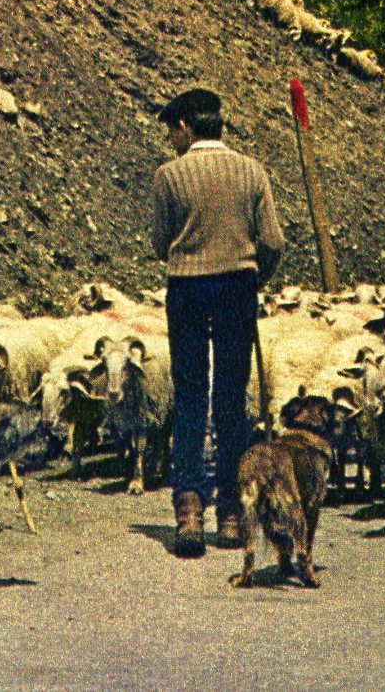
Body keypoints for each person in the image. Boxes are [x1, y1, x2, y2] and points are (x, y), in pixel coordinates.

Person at [152, 88, 285, 558]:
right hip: (236, 289)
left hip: (187, 289)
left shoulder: (169, 175)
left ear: (186, 127)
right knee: (232, 397)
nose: (171, 140)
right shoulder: (252, 171)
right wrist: (253, 275)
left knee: (190, 394)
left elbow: (159, 242)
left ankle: (189, 509)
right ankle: (231, 510)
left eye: (172, 130)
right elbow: (272, 240)